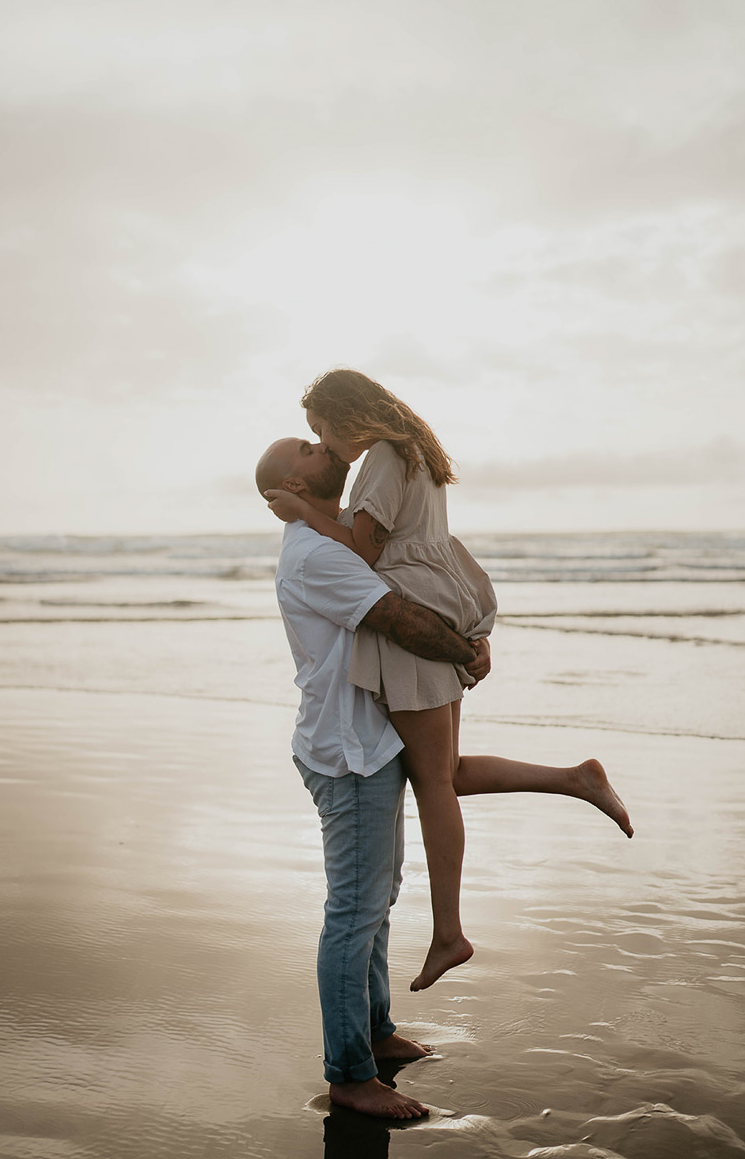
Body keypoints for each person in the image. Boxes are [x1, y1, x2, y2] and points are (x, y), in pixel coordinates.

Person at [265, 369, 633, 995]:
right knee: (449, 772)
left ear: (344, 414)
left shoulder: (383, 455)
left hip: (415, 611)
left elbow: (366, 550)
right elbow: (423, 546)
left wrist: (302, 510)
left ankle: (448, 933)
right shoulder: (415, 449)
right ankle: (575, 779)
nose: (324, 444)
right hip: (440, 595)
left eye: (320, 429)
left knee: (435, 780)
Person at [256, 434, 491, 1120]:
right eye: (304, 445)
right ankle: (349, 1075)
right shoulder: (316, 553)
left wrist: (468, 639)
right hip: (346, 751)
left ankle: (377, 1029)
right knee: (353, 911)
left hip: (369, 740)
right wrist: (467, 654)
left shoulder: (330, 538)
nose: (321, 443)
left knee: (376, 897)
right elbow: (398, 616)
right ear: (294, 485)